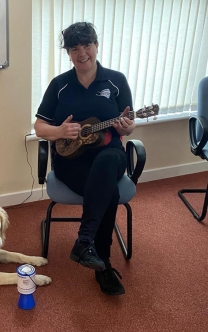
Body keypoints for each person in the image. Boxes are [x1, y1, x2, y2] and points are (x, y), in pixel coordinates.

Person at [34, 22, 135, 296]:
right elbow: (39, 127)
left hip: (110, 155)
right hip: (70, 160)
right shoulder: (59, 85)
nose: (82, 53)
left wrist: (127, 127)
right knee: (108, 192)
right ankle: (102, 264)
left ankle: (85, 240)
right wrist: (59, 131)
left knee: (105, 164)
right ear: (68, 53)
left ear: (96, 46)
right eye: (74, 48)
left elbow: (129, 121)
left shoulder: (116, 81)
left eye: (87, 45)